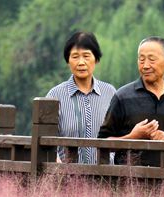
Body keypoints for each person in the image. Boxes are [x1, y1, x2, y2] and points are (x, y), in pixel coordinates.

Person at [98, 37, 164, 166]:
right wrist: (133, 137)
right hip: (128, 181)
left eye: (152, 60)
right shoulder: (122, 96)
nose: (145, 66)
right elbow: (102, 142)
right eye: (141, 59)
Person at [45, 31, 116, 164]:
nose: (81, 62)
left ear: (96, 59)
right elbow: (45, 141)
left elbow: (119, 135)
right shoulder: (55, 95)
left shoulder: (110, 92)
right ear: (68, 61)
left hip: (107, 177)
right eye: (75, 57)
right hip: (69, 179)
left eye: (86, 56)